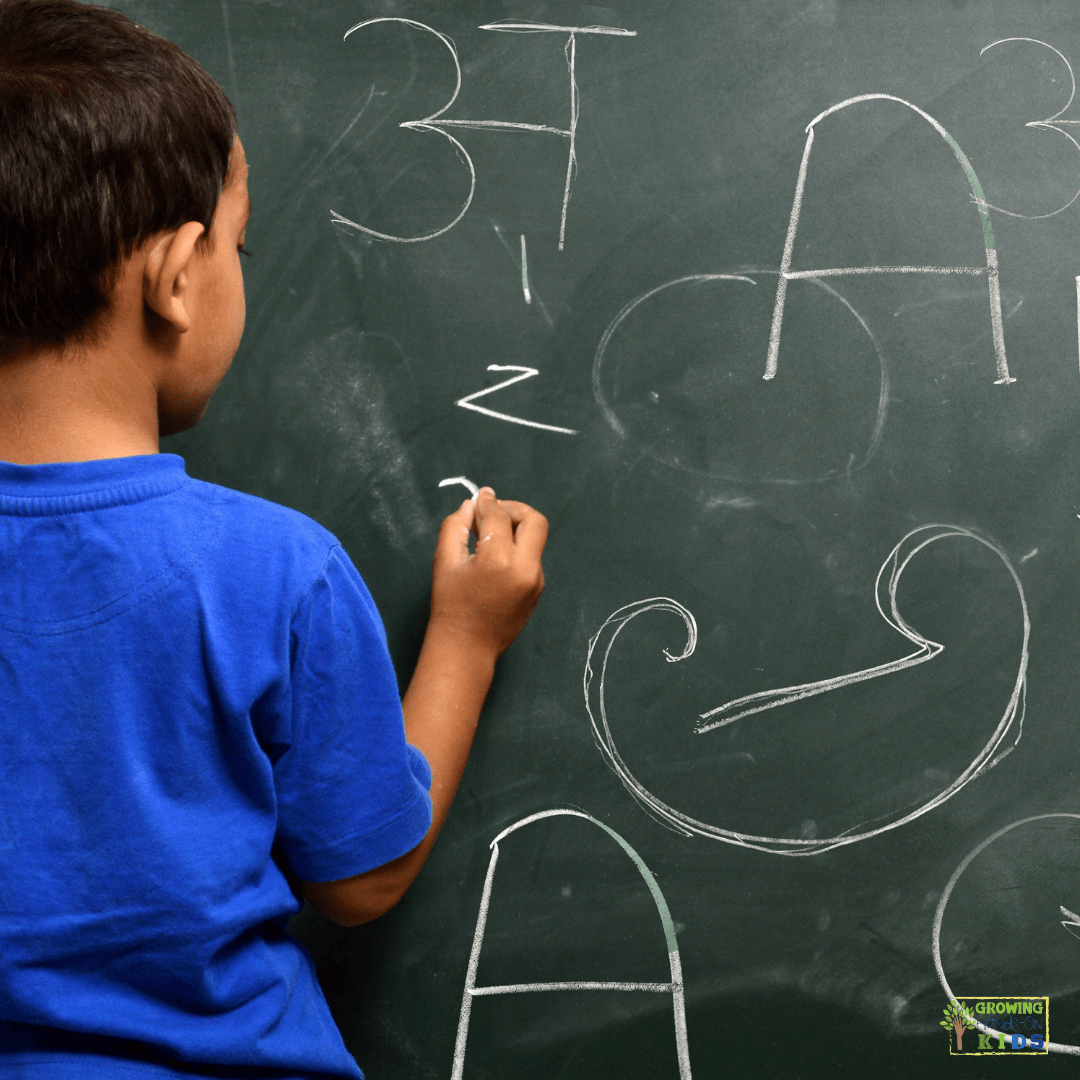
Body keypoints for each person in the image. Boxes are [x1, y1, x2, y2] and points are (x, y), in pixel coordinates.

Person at [0, 1, 547, 1077]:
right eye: (239, 247)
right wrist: (468, 641)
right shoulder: (273, 571)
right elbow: (360, 879)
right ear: (175, 277)